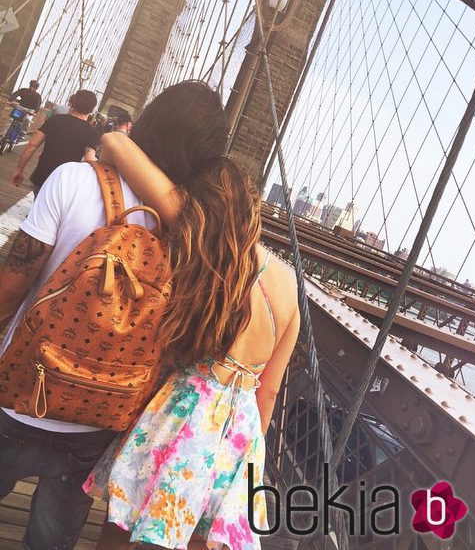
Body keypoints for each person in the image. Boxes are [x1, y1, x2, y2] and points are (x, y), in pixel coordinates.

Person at [0, 81, 248, 550]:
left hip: (21, 392)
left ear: (148, 123)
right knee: (53, 535)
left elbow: (13, 284)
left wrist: (112, 141)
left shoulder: (75, 179)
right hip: (102, 413)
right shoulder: (197, 232)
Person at [82, 98, 300, 549]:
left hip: (181, 411)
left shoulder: (206, 248)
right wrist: (246, 455)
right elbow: (270, 391)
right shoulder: (288, 285)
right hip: (238, 430)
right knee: (197, 535)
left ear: (204, 207)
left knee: (125, 524)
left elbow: (115, 141)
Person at [11, 89, 99, 196]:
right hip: (65, 182)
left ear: (73, 103)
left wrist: (19, 170)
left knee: (37, 203)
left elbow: (32, 145)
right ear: (92, 109)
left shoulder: (54, 120)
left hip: (42, 175)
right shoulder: (92, 132)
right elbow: (89, 160)